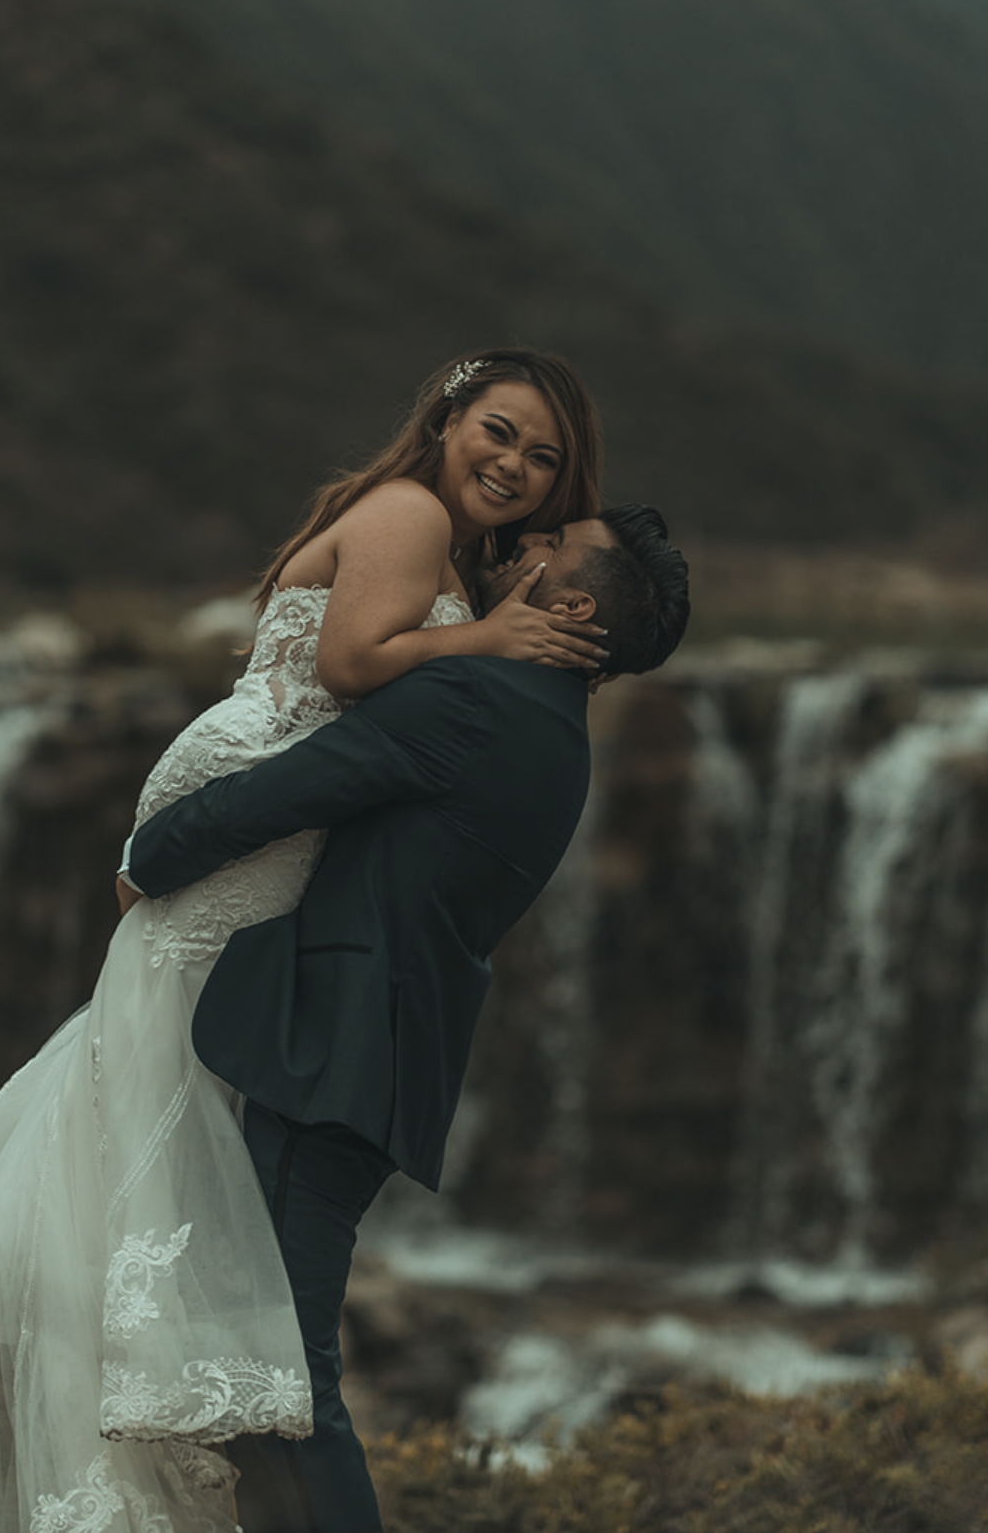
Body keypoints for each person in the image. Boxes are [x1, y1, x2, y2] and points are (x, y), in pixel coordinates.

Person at [0, 350, 607, 1533]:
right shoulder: (407, 514)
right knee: (145, 1145)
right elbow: (349, 669)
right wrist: (488, 641)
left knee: (128, 1149)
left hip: (258, 839)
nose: (511, 463)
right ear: (448, 419)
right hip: (243, 828)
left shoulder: (443, 551)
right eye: (497, 431)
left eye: (541, 457)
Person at [122, 504, 692, 1531]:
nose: (521, 539)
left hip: (332, 1053)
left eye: (546, 543)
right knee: (271, 1365)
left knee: (281, 1376)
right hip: (377, 1056)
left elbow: (287, 791)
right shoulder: (554, 729)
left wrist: (146, 860)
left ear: (564, 602)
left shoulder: (478, 696)